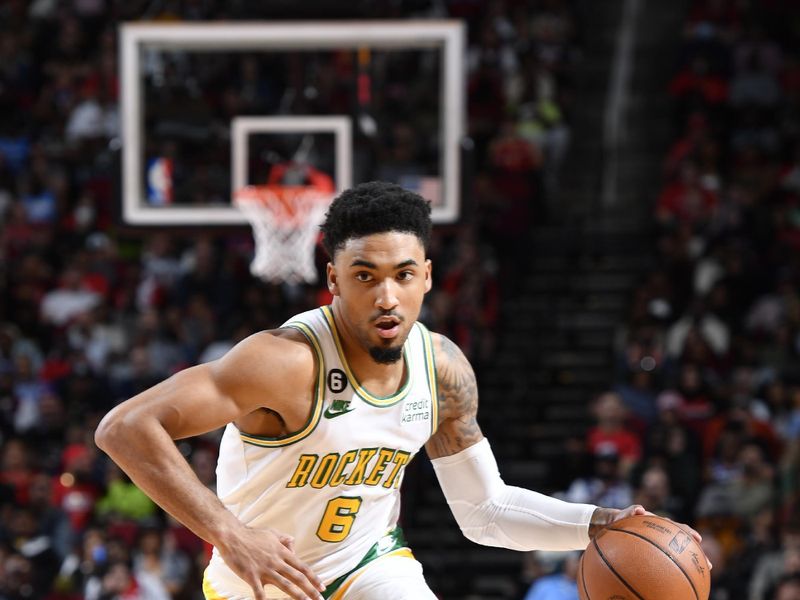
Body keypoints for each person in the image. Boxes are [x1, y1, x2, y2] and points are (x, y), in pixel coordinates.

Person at [95, 182, 704, 600]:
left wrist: (599, 523)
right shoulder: (282, 362)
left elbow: (484, 510)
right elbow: (124, 427)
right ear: (333, 280)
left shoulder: (442, 370)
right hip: (258, 582)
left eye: (403, 275)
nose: (387, 297)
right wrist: (228, 532)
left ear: (428, 277)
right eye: (365, 276)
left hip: (369, 568)